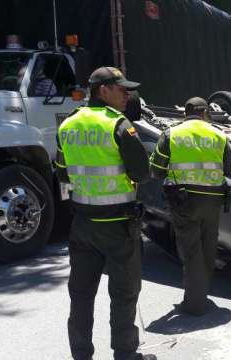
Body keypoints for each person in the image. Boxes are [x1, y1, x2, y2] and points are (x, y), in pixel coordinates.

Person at [55, 67, 155, 360]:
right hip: (118, 225)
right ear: (103, 90)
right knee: (123, 294)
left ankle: (81, 354)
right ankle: (125, 354)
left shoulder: (68, 126)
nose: (128, 95)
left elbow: (62, 174)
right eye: (122, 89)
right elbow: (143, 172)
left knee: (81, 295)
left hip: (83, 225)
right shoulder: (119, 126)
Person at [149, 97, 231, 315]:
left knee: (191, 250)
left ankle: (195, 302)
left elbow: (156, 169)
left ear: (184, 113)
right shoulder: (219, 135)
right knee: (207, 247)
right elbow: (230, 169)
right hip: (213, 200)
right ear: (206, 113)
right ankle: (200, 293)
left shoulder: (172, 134)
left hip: (184, 201)